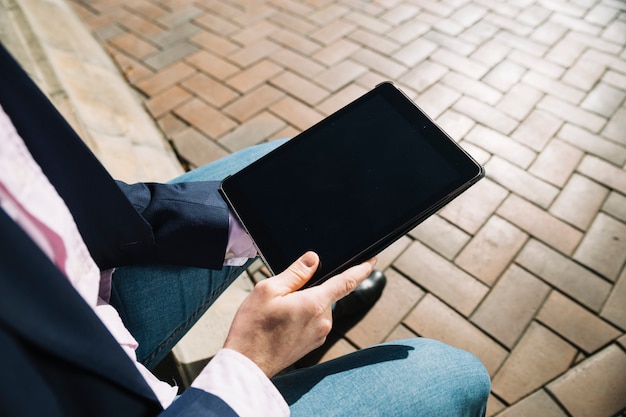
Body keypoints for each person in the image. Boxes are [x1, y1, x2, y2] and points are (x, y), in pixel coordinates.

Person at [0, 43, 490, 417]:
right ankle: (285, 355)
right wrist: (248, 365)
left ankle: (296, 335)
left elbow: (41, 190)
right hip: (92, 390)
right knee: (454, 375)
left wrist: (230, 221)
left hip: (85, 290)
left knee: (270, 169)